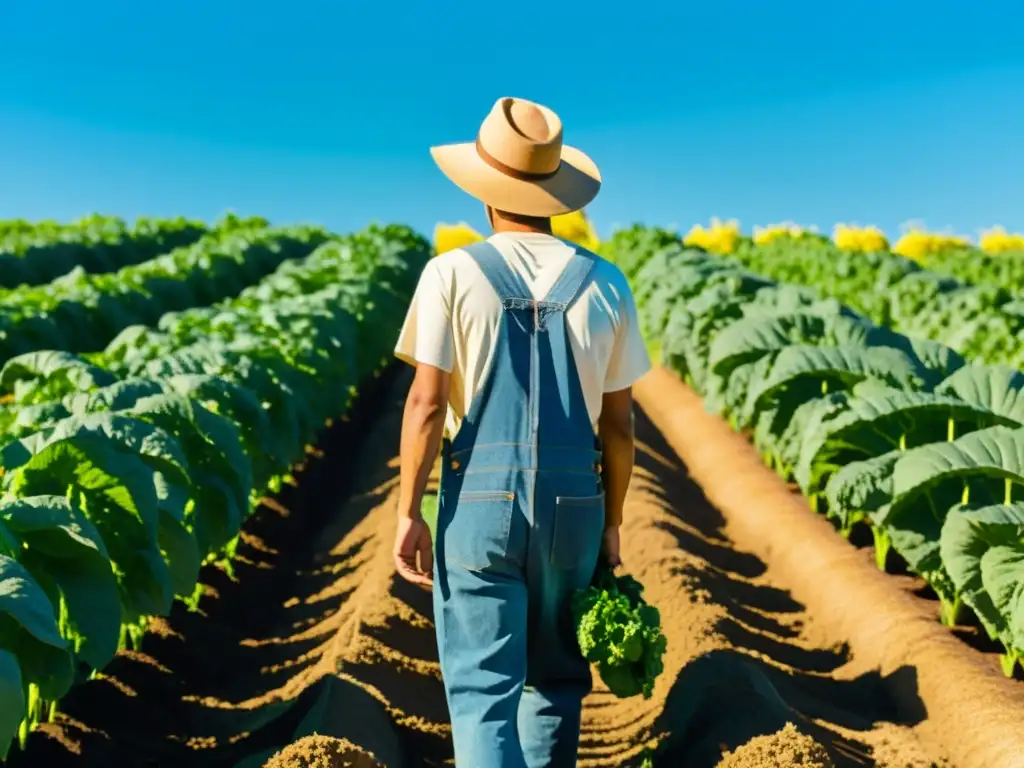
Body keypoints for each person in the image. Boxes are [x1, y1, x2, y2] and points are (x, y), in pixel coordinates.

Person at [391, 96, 651, 767]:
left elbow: (424, 404)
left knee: (483, 693)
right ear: (557, 196)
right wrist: (613, 522)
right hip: (575, 509)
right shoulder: (608, 284)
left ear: (484, 193)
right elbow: (619, 427)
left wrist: (407, 513)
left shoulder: (450, 274)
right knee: (556, 685)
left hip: (478, 506)